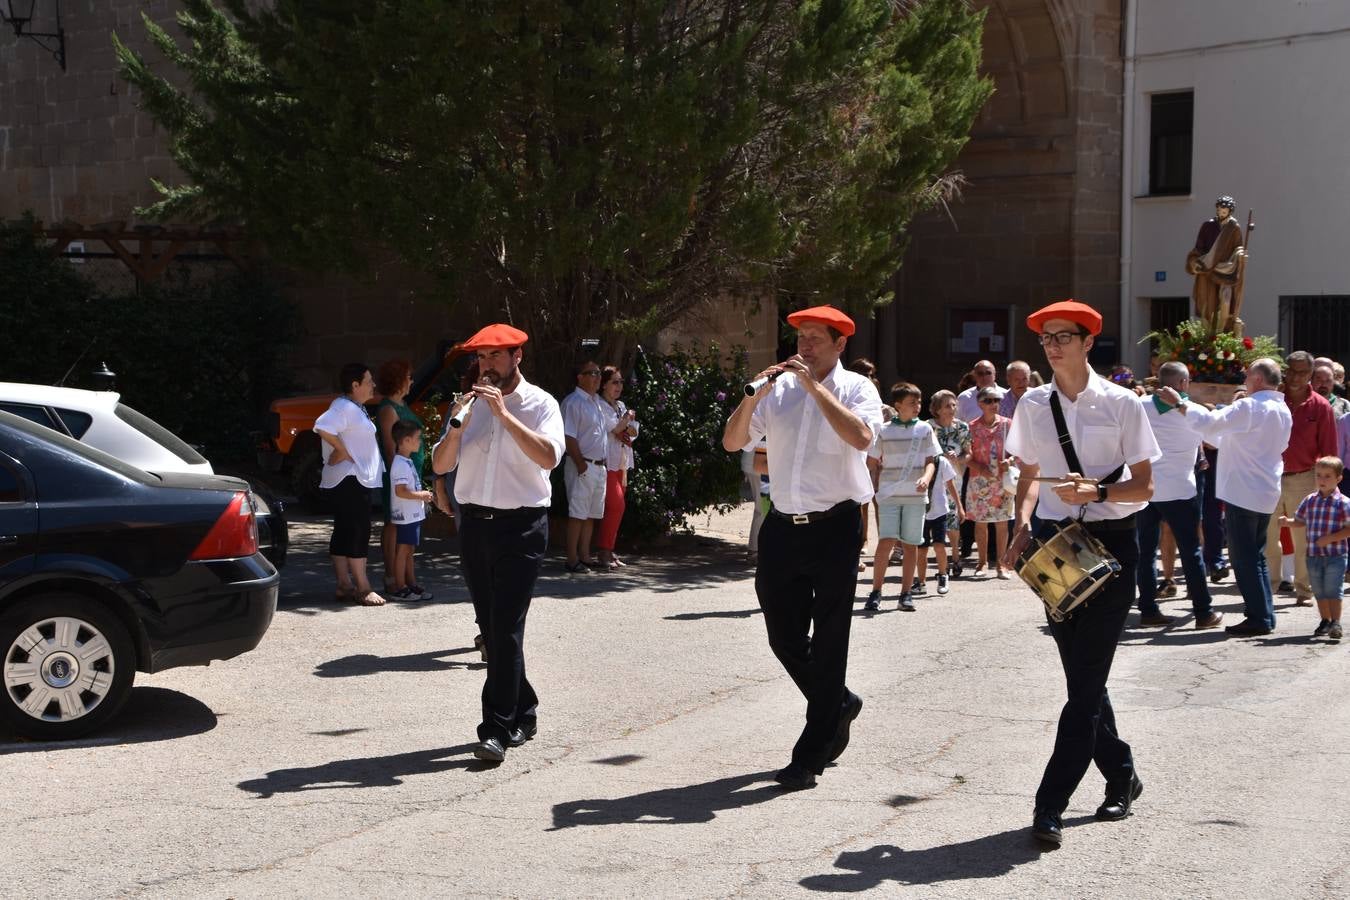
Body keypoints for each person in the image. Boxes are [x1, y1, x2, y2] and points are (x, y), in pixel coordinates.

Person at [1001, 299, 1160, 847]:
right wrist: (1020, 526)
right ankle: (1122, 775)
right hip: (1055, 546)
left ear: (1089, 342)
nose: (1052, 345)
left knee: (1086, 683)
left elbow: (1145, 487)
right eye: (1045, 337)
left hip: (1113, 548)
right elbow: (1028, 475)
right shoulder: (1032, 404)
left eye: (1063, 336)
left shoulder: (1122, 404)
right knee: (1083, 680)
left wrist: (1098, 491)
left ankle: (1050, 803)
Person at [722, 304, 885, 791]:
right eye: (801, 336)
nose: (805, 345)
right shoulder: (779, 390)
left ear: (840, 345)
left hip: (835, 525)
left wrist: (815, 388)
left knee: (831, 639)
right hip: (782, 526)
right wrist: (753, 396)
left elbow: (862, 438)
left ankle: (809, 756)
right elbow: (733, 442)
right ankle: (838, 703)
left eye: (816, 337)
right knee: (782, 635)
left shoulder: (858, 388)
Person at [431, 323, 565, 764]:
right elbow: (440, 462)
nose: (486, 366)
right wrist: (455, 426)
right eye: (481, 358)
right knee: (492, 631)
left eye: (495, 356)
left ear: (517, 358)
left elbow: (549, 458)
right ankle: (524, 708)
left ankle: (496, 729)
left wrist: (505, 415)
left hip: (521, 526)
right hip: (475, 526)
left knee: (505, 627)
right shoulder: (467, 405)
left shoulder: (540, 403)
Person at [1175, 359, 1291, 635]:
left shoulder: (1250, 405)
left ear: (1259, 379)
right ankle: (1264, 615)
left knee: (1244, 559)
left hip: (1244, 490)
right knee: (1256, 556)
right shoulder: (1282, 408)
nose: (1245, 379)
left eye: (1248, 375)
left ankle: (1259, 617)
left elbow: (1211, 423)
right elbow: (1221, 437)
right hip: (1264, 490)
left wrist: (1181, 404)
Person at [1134, 363, 1223, 629]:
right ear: (1184, 383)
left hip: (1145, 487)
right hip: (1180, 490)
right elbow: (1216, 441)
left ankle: (1148, 609)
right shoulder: (1193, 411)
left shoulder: (1140, 405)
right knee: (1191, 551)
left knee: (1146, 552)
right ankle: (1203, 612)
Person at [1266, 351, 1338, 606]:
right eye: (1291, 370)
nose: (1295, 377)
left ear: (1310, 375)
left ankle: (1303, 589)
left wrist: (1328, 485)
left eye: (1301, 372)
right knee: (1268, 535)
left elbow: (1329, 449)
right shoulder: (1272, 399)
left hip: (1304, 477)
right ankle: (1270, 587)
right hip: (1270, 475)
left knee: (1304, 537)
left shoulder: (1320, 406)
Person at [315, 363, 387, 607]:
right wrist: (341, 450)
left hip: (353, 478)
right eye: (369, 381)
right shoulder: (343, 406)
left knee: (347, 528)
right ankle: (362, 587)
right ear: (355, 385)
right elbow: (322, 426)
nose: (373, 385)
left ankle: (344, 584)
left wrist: (342, 449)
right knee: (358, 529)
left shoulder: (353, 407)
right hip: (350, 478)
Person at [863, 383, 940, 612]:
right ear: (898, 406)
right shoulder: (884, 431)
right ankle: (876, 591)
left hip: (915, 496)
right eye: (912, 403)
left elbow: (931, 461)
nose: (917, 406)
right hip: (889, 495)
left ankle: (906, 593)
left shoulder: (925, 429)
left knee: (910, 544)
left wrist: (926, 478)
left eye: (918, 402)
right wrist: (875, 486)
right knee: (886, 541)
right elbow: (871, 462)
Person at [1280, 456, 1350, 642]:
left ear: (1338, 479)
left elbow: (1348, 529)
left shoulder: (1343, 503)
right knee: (1319, 590)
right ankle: (1325, 620)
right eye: (1319, 475)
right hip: (1313, 556)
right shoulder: (1310, 500)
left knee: (1333, 590)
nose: (1322, 480)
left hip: (1335, 555)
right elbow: (1300, 521)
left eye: (1328, 476)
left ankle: (1336, 622)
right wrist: (1288, 522)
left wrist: (1330, 539)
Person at [376, 359, 429, 599]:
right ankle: (392, 578)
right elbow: (390, 448)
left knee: (405, 530)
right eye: (408, 376)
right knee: (393, 525)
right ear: (398, 380)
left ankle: (407, 578)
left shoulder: (401, 404)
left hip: (410, 471)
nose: (411, 381)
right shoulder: (388, 409)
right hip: (399, 475)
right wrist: (399, 473)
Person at [561, 359, 609, 573]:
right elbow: (569, 436)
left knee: (590, 514)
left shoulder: (596, 401)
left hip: (599, 467)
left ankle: (585, 555)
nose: (597, 377)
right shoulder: (573, 402)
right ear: (579, 377)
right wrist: (581, 464)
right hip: (583, 465)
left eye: (599, 373)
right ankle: (571, 559)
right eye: (592, 373)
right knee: (577, 513)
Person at [966, 386, 1014, 578]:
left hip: (1002, 480)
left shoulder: (1007, 425)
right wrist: (980, 468)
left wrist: (1009, 461)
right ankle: (981, 563)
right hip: (980, 480)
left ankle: (1001, 564)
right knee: (981, 523)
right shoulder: (971, 427)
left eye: (996, 400)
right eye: (989, 401)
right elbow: (966, 456)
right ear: (980, 403)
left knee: (1002, 522)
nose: (994, 404)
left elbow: (1017, 451)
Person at [595, 365, 639, 569]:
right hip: (608, 461)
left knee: (618, 509)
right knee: (615, 505)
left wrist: (627, 425)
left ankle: (610, 550)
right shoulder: (600, 405)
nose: (619, 386)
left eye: (621, 382)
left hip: (622, 461)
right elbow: (616, 428)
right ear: (604, 384)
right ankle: (603, 551)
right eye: (614, 381)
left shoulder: (621, 405)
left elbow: (632, 431)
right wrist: (626, 422)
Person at [386, 420, 434, 600]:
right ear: (406, 440)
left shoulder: (406, 461)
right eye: (417, 438)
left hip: (412, 514)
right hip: (406, 515)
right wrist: (421, 495)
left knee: (409, 550)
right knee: (403, 550)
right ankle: (400, 587)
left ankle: (411, 583)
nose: (420, 441)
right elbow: (400, 491)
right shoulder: (400, 464)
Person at [1186, 194, 1247, 334]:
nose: (1221, 212)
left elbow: (1238, 247)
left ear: (1230, 211)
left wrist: (1240, 254)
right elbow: (1199, 248)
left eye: (1224, 210)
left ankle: (1224, 331)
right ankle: (1208, 334)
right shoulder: (1208, 226)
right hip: (1207, 269)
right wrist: (1195, 260)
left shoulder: (1234, 227)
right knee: (1206, 303)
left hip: (1226, 270)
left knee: (1225, 300)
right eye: (1219, 209)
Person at [930, 389, 971, 576]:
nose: (952, 408)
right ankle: (936, 561)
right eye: (947, 405)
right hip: (932, 480)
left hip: (954, 478)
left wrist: (958, 458)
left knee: (953, 517)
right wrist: (940, 456)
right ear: (937, 409)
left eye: (954, 405)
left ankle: (955, 557)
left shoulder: (962, 428)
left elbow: (968, 453)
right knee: (933, 517)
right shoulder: (928, 427)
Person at [915, 454, 962, 596]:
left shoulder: (942, 461)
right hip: (920, 511)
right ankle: (921, 583)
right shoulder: (916, 459)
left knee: (939, 546)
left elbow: (950, 484)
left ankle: (943, 576)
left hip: (939, 511)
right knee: (921, 549)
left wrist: (959, 506)